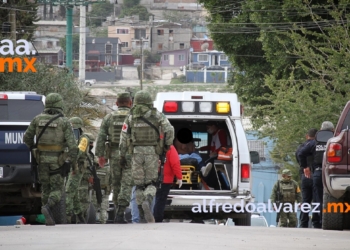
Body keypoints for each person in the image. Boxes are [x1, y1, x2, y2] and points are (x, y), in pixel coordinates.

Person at [119, 90, 174, 223]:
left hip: (136, 153)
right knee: (151, 183)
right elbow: (170, 129)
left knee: (138, 186)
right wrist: (167, 146)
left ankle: (141, 213)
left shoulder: (131, 116)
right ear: (150, 101)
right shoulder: (157, 115)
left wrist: (122, 155)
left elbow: (123, 137)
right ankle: (148, 200)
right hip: (152, 153)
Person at [23, 93, 78, 226]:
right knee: (57, 189)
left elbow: (27, 138)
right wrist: (74, 163)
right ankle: (48, 207)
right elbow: (72, 146)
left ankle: (49, 217)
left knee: (45, 188)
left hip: (41, 159)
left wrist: (34, 148)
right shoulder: (64, 121)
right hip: (57, 161)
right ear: (59, 104)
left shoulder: (37, 119)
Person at [95, 92, 133, 224]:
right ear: (130, 103)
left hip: (114, 154)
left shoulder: (109, 117)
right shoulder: (133, 116)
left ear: (117, 104)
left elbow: (101, 137)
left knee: (116, 184)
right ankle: (121, 212)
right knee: (127, 183)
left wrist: (100, 155)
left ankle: (118, 211)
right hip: (129, 154)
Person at [298, 121, 334, 228]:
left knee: (319, 200)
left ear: (321, 130)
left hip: (318, 173)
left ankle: (322, 223)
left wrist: (305, 167)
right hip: (332, 174)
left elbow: (300, 153)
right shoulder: (336, 141)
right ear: (333, 130)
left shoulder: (315, 142)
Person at [65, 118, 95, 224]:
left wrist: (72, 160)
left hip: (77, 168)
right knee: (74, 192)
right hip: (71, 167)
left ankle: (67, 216)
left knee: (69, 191)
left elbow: (80, 151)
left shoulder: (84, 138)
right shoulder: (70, 137)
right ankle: (80, 216)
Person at [154, 144, 182, 222]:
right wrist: (179, 177)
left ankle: (146, 217)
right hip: (165, 179)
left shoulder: (151, 146)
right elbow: (175, 163)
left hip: (152, 177)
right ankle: (157, 218)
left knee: (152, 198)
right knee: (161, 199)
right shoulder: (170, 148)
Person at [296, 128, 318, 228]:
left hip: (305, 175)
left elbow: (298, 158)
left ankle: (303, 223)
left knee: (305, 201)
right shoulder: (317, 146)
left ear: (307, 136)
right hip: (315, 174)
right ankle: (316, 222)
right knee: (317, 200)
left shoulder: (301, 147)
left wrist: (304, 167)